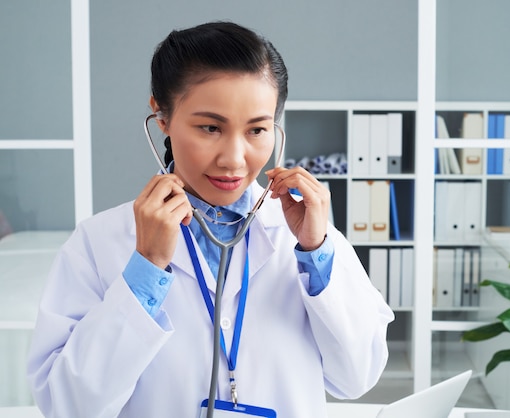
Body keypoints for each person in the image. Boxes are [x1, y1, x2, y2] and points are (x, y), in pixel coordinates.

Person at [27, 21, 394, 418]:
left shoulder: (307, 236)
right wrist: (145, 269)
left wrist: (317, 253)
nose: (234, 159)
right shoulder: (99, 243)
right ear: (162, 117)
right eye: (210, 128)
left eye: (257, 129)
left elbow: (357, 377)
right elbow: (67, 407)